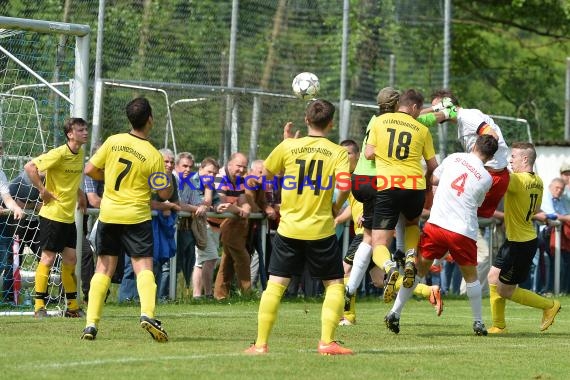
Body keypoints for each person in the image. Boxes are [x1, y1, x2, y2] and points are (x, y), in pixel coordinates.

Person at [245, 99, 353, 355]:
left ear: (306, 121)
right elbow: (346, 186)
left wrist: (286, 146)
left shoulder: (289, 146)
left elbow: (266, 176)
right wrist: (336, 206)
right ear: (331, 123)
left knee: (275, 285)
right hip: (321, 229)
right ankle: (327, 342)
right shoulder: (337, 151)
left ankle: (261, 344)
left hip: (289, 228)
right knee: (335, 284)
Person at [385, 134, 499, 336]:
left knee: (418, 272)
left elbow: (434, 178)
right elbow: (478, 203)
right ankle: (478, 322)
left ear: (473, 145)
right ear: (490, 158)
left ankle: (394, 312)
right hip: (462, 230)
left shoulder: (454, 157)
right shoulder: (487, 178)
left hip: (436, 224)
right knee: (471, 277)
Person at [81, 97, 173, 342]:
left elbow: (89, 169)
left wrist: (108, 177)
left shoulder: (113, 141)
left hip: (109, 214)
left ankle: (90, 324)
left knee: (103, 268)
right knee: (143, 266)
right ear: (150, 119)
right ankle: (147, 314)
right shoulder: (153, 155)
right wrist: (167, 176)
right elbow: (164, 193)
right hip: (136, 216)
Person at [364, 89, 438, 291]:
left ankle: (389, 267)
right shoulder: (422, 130)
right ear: (414, 108)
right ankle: (410, 259)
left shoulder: (380, 121)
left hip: (389, 185)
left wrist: (386, 152)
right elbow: (433, 166)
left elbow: (368, 153)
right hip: (415, 187)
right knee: (412, 223)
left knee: (379, 241)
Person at [487, 142, 561, 334]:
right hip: (518, 239)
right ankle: (499, 326)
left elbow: (496, 177)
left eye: (513, 156)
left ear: (525, 159)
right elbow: (534, 210)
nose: (510, 160)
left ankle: (549, 305)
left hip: (520, 243)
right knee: (493, 276)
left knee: (505, 290)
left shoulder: (518, 180)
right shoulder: (538, 180)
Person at [24, 118, 88, 318]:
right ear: (70, 134)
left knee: (71, 259)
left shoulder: (81, 153)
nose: (85, 132)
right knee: (48, 258)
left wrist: (80, 194)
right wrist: (42, 190)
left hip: (68, 217)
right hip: (52, 215)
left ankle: (71, 307)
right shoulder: (59, 153)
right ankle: (38, 307)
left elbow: (68, 179)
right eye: (81, 130)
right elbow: (30, 167)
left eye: (86, 129)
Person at [213, 152, 252, 300]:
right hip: (211, 225)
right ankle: (247, 294)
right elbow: (222, 203)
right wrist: (240, 210)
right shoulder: (220, 177)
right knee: (243, 259)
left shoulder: (239, 179)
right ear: (229, 164)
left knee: (227, 262)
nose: (242, 170)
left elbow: (242, 200)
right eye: (239, 166)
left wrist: (246, 207)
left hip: (226, 225)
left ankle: (220, 296)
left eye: (244, 166)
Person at [182, 156, 221, 299]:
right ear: (200, 169)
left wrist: (217, 206)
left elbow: (212, 203)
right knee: (211, 258)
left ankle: (198, 296)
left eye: (215, 174)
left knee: (199, 262)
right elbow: (182, 203)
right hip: (186, 226)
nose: (212, 176)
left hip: (200, 226)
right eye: (209, 172)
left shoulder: (209, 184)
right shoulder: (190, 182)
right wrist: (201, 206)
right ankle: (208, 294)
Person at [151, 148, 180, 300]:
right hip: (147, 223)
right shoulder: (151, 174)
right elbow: (147, 203)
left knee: (161, 263)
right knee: (139, 264)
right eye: (166, 161)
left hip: (164, 226)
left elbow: (176, 203)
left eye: (172, 162)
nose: (169, 165)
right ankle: (129, 298)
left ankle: (157, 298)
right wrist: (167, 206)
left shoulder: (173, 178)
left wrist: (169, 205)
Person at [245, 159, 277, 291]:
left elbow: (262, 202)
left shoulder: (260, 184)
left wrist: (268, 208)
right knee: (238, 260)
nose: (263, 175)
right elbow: (250, 203)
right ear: (251, 171)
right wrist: (262, 210)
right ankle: (238, 291)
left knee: (260, 258)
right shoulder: (247, 183)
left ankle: (261, 289)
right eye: (259, 172)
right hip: (241, 229)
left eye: (264, 172)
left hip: (254, 228)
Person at [0, 158, 25, 302]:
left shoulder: (1, 174)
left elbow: (7, 198)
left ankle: (8, 298)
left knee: (4, 260)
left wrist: (16, 208)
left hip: (2, 221)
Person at [173, 151, 197, 298]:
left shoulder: (191, 182)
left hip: (185, 229)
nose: (188, 169)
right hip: (171, 228)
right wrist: (195, 208)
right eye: (184, 166)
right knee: (170, 265)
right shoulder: (172, 179)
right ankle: (165, 296)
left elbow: (197, 203)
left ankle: (181, 294)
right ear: (177, 166)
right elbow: (177, 204)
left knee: (187, 263)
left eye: (190, 166)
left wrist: (197, 207)